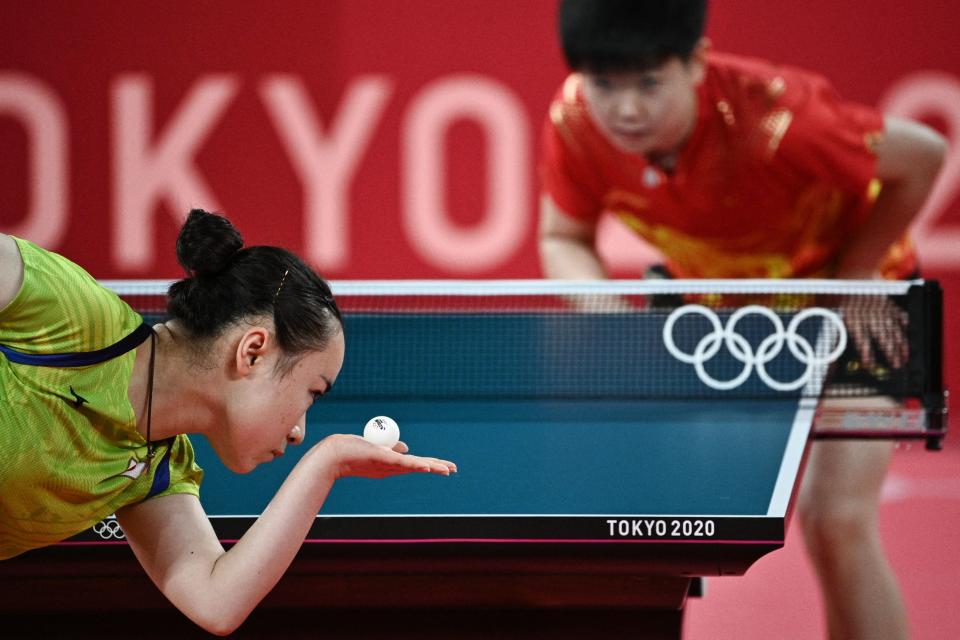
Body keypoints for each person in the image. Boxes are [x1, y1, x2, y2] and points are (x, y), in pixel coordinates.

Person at [538, 2, 946, 639]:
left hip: (849, 310)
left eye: (649, 83)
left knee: (836, 521)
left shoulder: (783, 120)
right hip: (721, 327)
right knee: (657, 522)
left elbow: (922, 154)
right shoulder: (574, 122)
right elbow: (563, 236)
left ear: (696, 63)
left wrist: (858, 271)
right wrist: (621, 322)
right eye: (605, 85)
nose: (625, 110)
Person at [0, 209, 457, 635]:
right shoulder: (75, 321)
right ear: (252, 352)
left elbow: (218, 602)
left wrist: (329, 462)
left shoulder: (154, 470)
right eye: (311, 393)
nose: (300, 431)